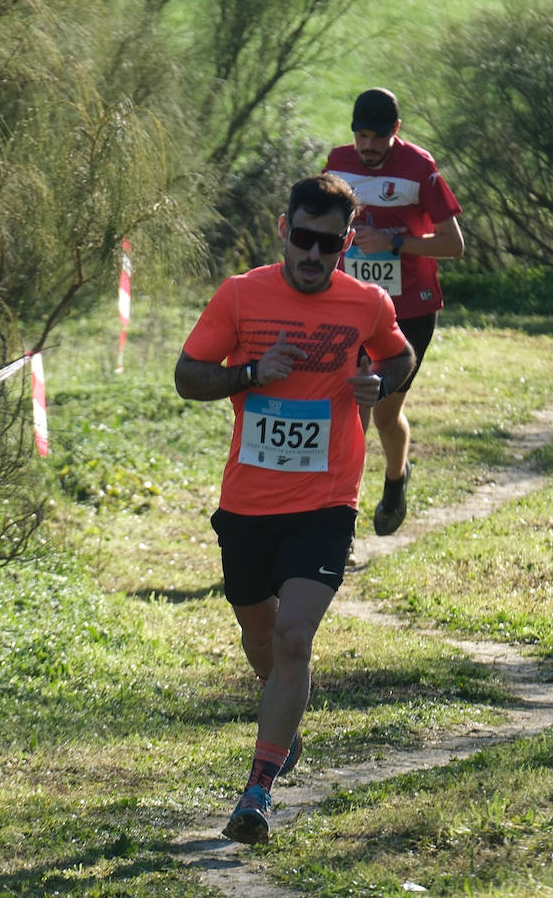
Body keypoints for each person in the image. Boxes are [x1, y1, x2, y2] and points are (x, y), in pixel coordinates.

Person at [174, 173, 416, 845]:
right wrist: (251, 374)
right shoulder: (241, 295)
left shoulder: (364, 302)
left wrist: (378, 382)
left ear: (344, 243)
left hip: (327, 496)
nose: (314, 255)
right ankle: (286, 724)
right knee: (259, 630)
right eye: (304, 239)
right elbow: (188, 375)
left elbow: (401, 355)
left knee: (293, 638)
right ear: (283, 229)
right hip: (248, 501)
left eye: (328, 244)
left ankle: (259, 787)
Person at [324, 87, 464, 536]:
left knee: (384, 415)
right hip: (354, 308)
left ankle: (396, 478)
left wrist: (396, 242)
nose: (367, 146)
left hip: (410, 312)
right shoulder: (337, 163)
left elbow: (454, 244)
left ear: (395, 132)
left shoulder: (420, 169)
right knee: (352, 415)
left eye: (377, 138)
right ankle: (337, 521)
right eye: (361, 135)